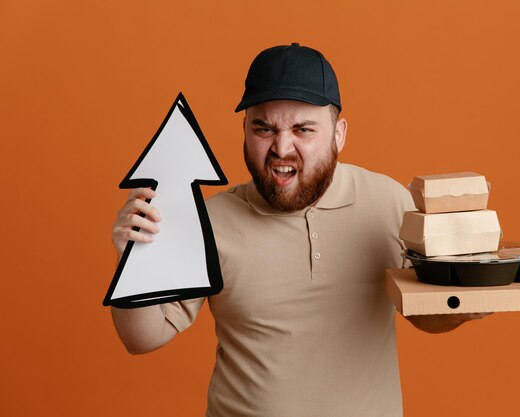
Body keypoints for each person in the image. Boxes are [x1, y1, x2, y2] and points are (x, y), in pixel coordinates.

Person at [110, 43, 489, 417]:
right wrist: (133, 259)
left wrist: (463, 307)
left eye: (303, 129)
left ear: (339, 134)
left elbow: (424, 314)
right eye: (264, 128)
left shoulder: (389, 202)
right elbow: (141, 338)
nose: (281, 147)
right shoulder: (209, 221)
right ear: (245, 130)